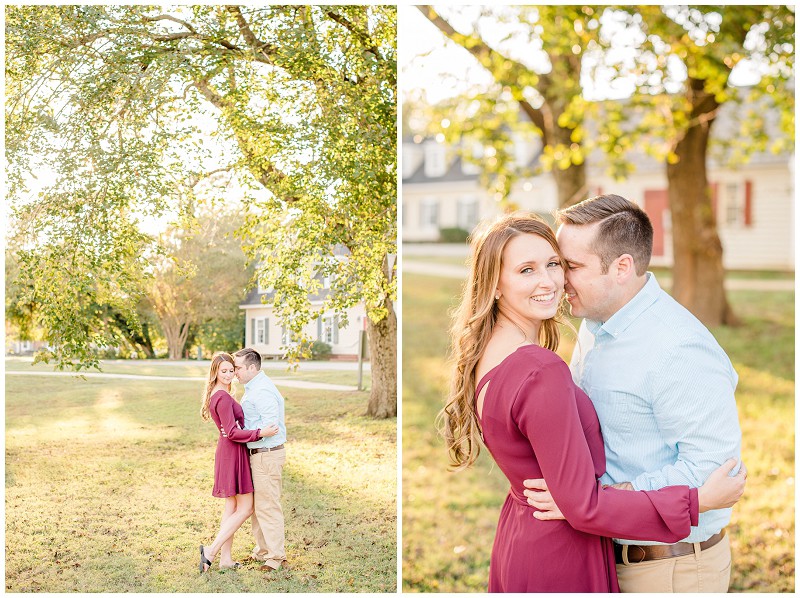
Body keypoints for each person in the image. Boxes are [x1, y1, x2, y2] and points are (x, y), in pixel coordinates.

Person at [441, 212, 745, 592]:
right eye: (527, 270)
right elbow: (580, 500)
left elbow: (714, 466)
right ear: (495, 284)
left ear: (621, 267)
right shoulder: (563, 347)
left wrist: (588, 497)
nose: (555, 280)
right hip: (562, 550)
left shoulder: (677, 346)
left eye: (560, 265)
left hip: (659, 561)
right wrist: (693, 500)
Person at [198, 352, 279, 573]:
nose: (228, 374)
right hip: (233, 452)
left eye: (231, 370)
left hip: (229, 451)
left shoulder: (219, 393)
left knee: (231, 506)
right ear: (215, 372)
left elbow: (229, 430)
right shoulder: (222, 397)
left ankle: (225, 558)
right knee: (246, 507)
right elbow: (232, 432)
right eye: (223, 371)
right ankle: (212, 551)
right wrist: (260, 432)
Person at [232, 348, 288, 572]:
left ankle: (276, 557)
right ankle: (263, 550)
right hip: (258, 454)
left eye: (238, 368)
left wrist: (241, 431)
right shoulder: (253, 388)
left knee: (268, 506)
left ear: (252, 368)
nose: (235, 372)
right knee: (258, 506)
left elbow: (270, 427)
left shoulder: (262, 390)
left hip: (266, 453)